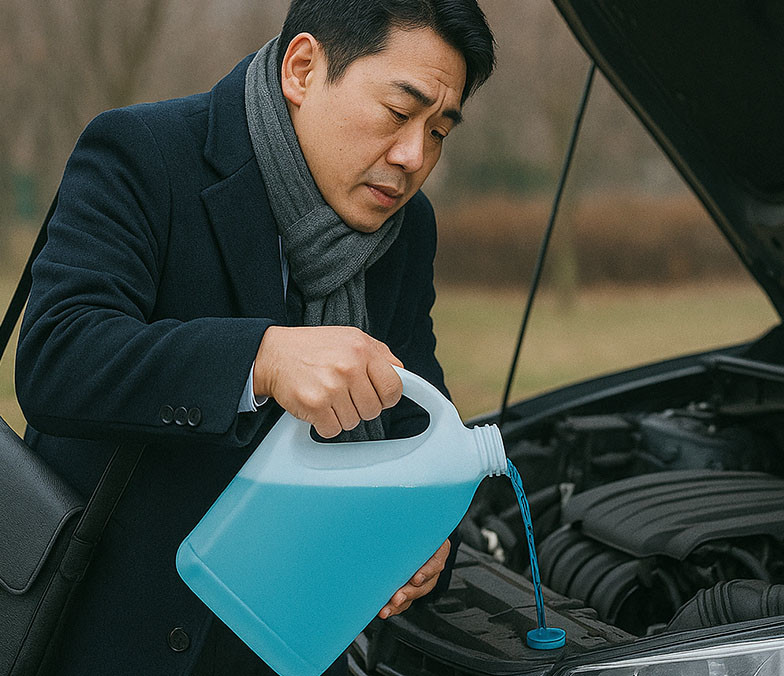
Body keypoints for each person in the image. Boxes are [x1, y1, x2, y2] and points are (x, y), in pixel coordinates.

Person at [14, 0, 495, 673]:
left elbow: (417, 427)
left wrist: (422, 545)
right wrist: (261, 359)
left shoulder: (407, 233)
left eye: (440, 129)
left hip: (293, 648)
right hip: (111, 640)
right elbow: (59, 356)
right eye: (398, 112)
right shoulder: (143, 153)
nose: (415, 156)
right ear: (302, 68)